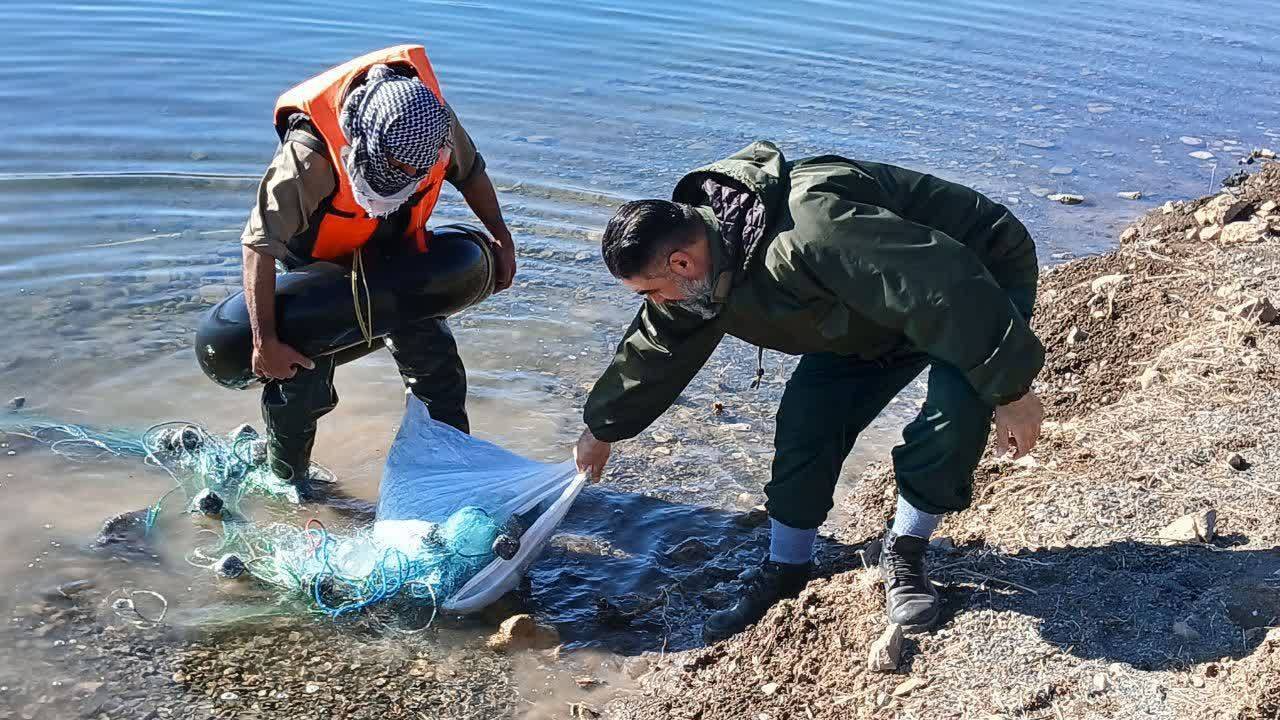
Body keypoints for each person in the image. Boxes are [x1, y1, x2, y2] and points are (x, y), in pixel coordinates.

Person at [573, 141, 1045, 642]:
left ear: (683, 263)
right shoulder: (702, 272)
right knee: (807, 422)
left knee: (952, 418)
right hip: (861, 312)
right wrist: (602, 428)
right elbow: (655, 346)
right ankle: (787, 567)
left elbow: (943, 287)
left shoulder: (816, 229)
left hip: (975, 277)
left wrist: (1011, 388)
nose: (654, 302)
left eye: (650, 290)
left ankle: (906, 552)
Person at [239, 45, 516, 486]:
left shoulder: (434, 127)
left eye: (417, 171)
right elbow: (259, 245)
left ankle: (448, 473)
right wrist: (264, 340)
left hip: (393, 250)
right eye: (398, 169)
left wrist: (501, 237)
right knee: (299, 380)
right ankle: (288, 481)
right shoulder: (307, 158)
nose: (409, 178)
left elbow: (472, 173)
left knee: (436, 362)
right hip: (319, 265)